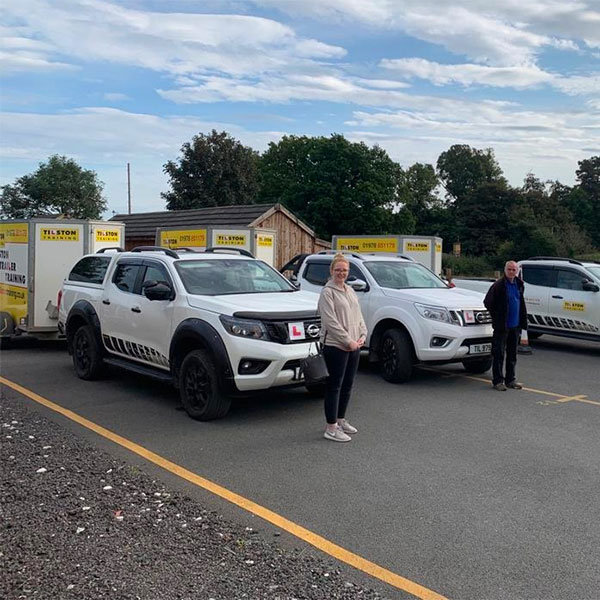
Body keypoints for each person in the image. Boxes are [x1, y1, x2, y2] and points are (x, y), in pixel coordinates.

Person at [317, 254, 368, 442]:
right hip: (336, 346)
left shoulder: (349, 290)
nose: (341, 273)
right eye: (338, 270)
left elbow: (358, 315)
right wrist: (348, 341)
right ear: (331, 271)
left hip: (354, 345)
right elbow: (330, 322)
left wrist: (363, 334)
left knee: (347, 385)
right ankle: (330, 428)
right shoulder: (327, 292)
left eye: (345, 270)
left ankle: (340, 420)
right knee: (334, 387)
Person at [483, 260, 528, 391]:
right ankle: (498, 381)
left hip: (515, 326)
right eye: (509, 269)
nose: (511, 272)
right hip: (502, 326)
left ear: (517, 271)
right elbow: (488, 302)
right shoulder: (498, 285)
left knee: (512, 354)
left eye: (514, 270)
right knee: (499, 354)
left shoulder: (519, 284)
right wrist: (497, 316)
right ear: (505, 270)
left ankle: (510, 380)